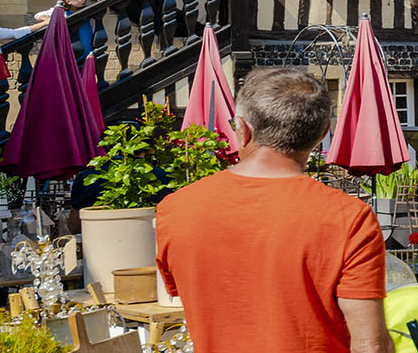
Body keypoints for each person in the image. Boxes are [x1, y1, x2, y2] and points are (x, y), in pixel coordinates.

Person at [156, 67, 386, 353]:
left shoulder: (175, 209)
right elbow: (370, 344)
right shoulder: (350, 217)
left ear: (243, 129)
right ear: (322, 134)